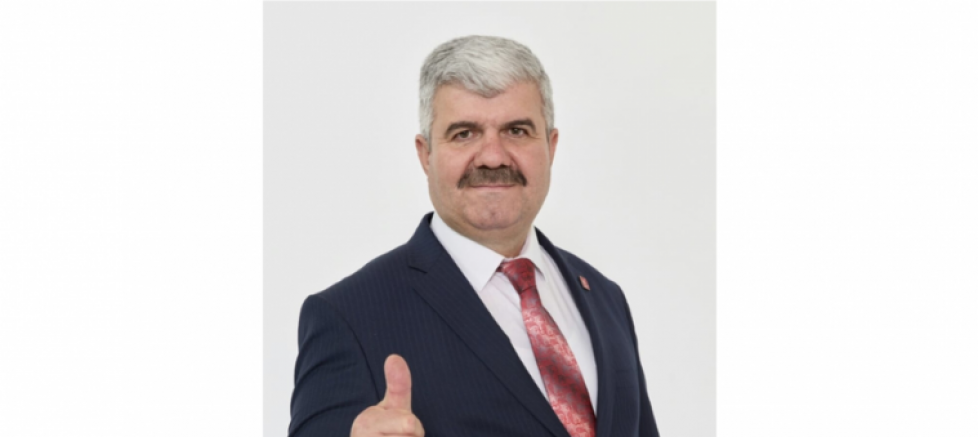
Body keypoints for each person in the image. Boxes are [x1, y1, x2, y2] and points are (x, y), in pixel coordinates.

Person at [289, 35, 660, 437]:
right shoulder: (349, 316)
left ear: (551, 147)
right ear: (425, 154)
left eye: (517, 130)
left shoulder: (605, 298)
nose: (493, 156)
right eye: (464, 133)